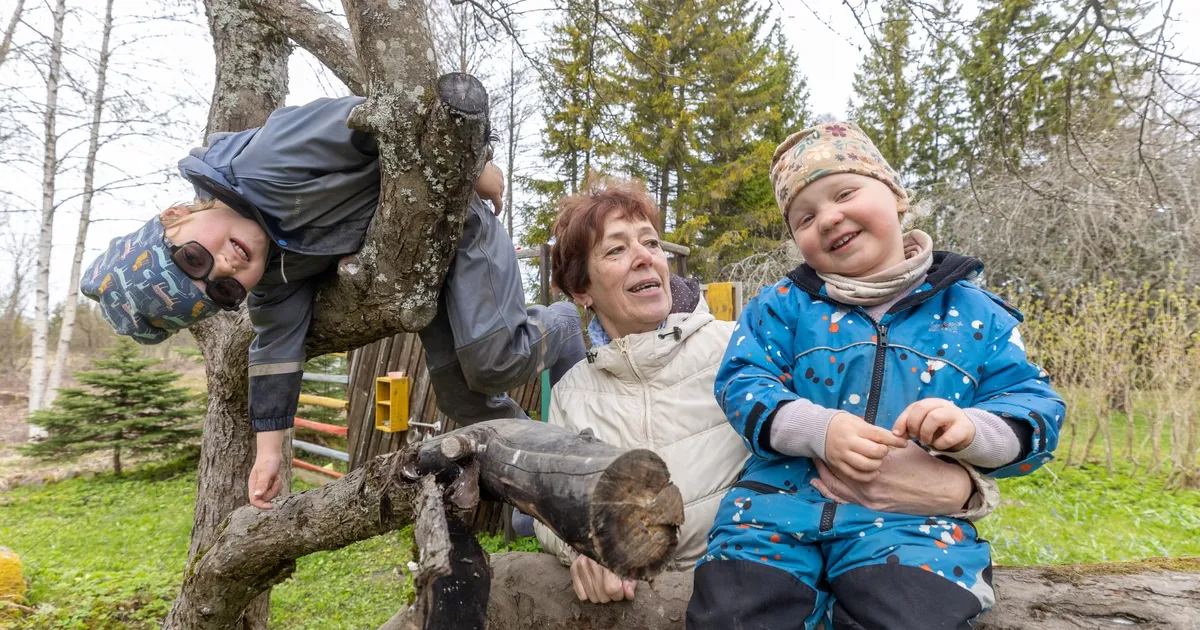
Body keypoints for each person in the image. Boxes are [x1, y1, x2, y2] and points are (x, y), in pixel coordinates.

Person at [79, 96, 585, 508]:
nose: (224, 267)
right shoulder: (274, 273)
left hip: (459, 226)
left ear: (176, 216)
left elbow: (379, 116)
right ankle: (547, 465)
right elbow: (275, 347)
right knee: (461, 399)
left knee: (494, 361)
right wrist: (269, 452)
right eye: (223, 290)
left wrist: (474, 166)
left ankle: (564, 325)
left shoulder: (268, 159)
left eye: (193, 258)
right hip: (423, 276)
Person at [534, 177, 1001, 606]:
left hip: (758, 581)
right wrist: (589, 546)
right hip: (661, 606)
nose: (644, 257)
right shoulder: (573, 391)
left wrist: (963, 488)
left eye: (651, 242)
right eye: (616, 250)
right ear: (581, 289)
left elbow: (855, 423)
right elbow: (547, 502)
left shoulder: (740, 348)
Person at [687, 122, 1066, 629]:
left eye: (845, 193)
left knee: (913, 615)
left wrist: (972, 431)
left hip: (911, 529)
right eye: (805, 217)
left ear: (897, 197)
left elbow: (1033, 406)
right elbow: (741, 381)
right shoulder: (780, 307)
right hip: (772, 513)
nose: (828, 218)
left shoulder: (976, 314)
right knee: (734, 613)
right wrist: (817, 428)